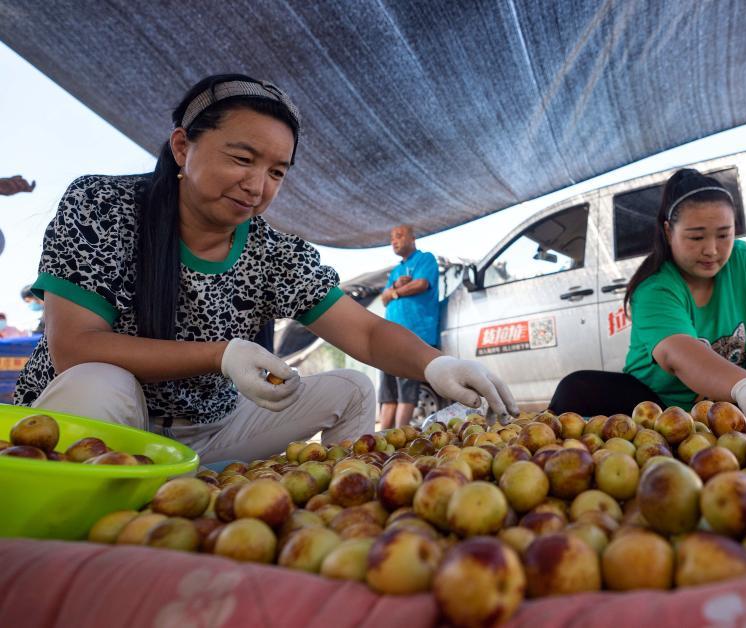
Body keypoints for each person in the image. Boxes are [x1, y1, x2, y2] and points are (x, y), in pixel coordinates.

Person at [14, 74, 516, 462]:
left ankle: (346, 513)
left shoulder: (272, 251)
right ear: (183, 147)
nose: (257, 185)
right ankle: (62, 540)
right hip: (112, 425)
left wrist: (435, 365)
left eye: (277, 171)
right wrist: (220, 354)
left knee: (352, 389)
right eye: (242, 158)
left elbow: (363, 333)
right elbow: (75, 347)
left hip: (210, 434)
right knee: (98, 382)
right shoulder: (103, 205)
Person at [549, 168, 746, 418]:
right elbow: (678, 353)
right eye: (696, 237)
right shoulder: (654, 286)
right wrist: (741, 388)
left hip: (739, 395)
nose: (711, 249)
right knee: (577, 390)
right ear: (667, 232)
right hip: (659, 405)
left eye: (724, 234)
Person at [377, 224, 440, 429]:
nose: (394, 241)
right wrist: (397, 287)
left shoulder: (425, 259)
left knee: (406, 390)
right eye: (392, 238)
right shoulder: (396, 271)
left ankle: (397, 438)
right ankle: (381, 440)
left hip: (413, 335)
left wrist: (396, 291)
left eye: (399, 236)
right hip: (388, 338)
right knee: (388, 395)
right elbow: (384, 299)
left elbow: (421, 284)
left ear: (412, 239)